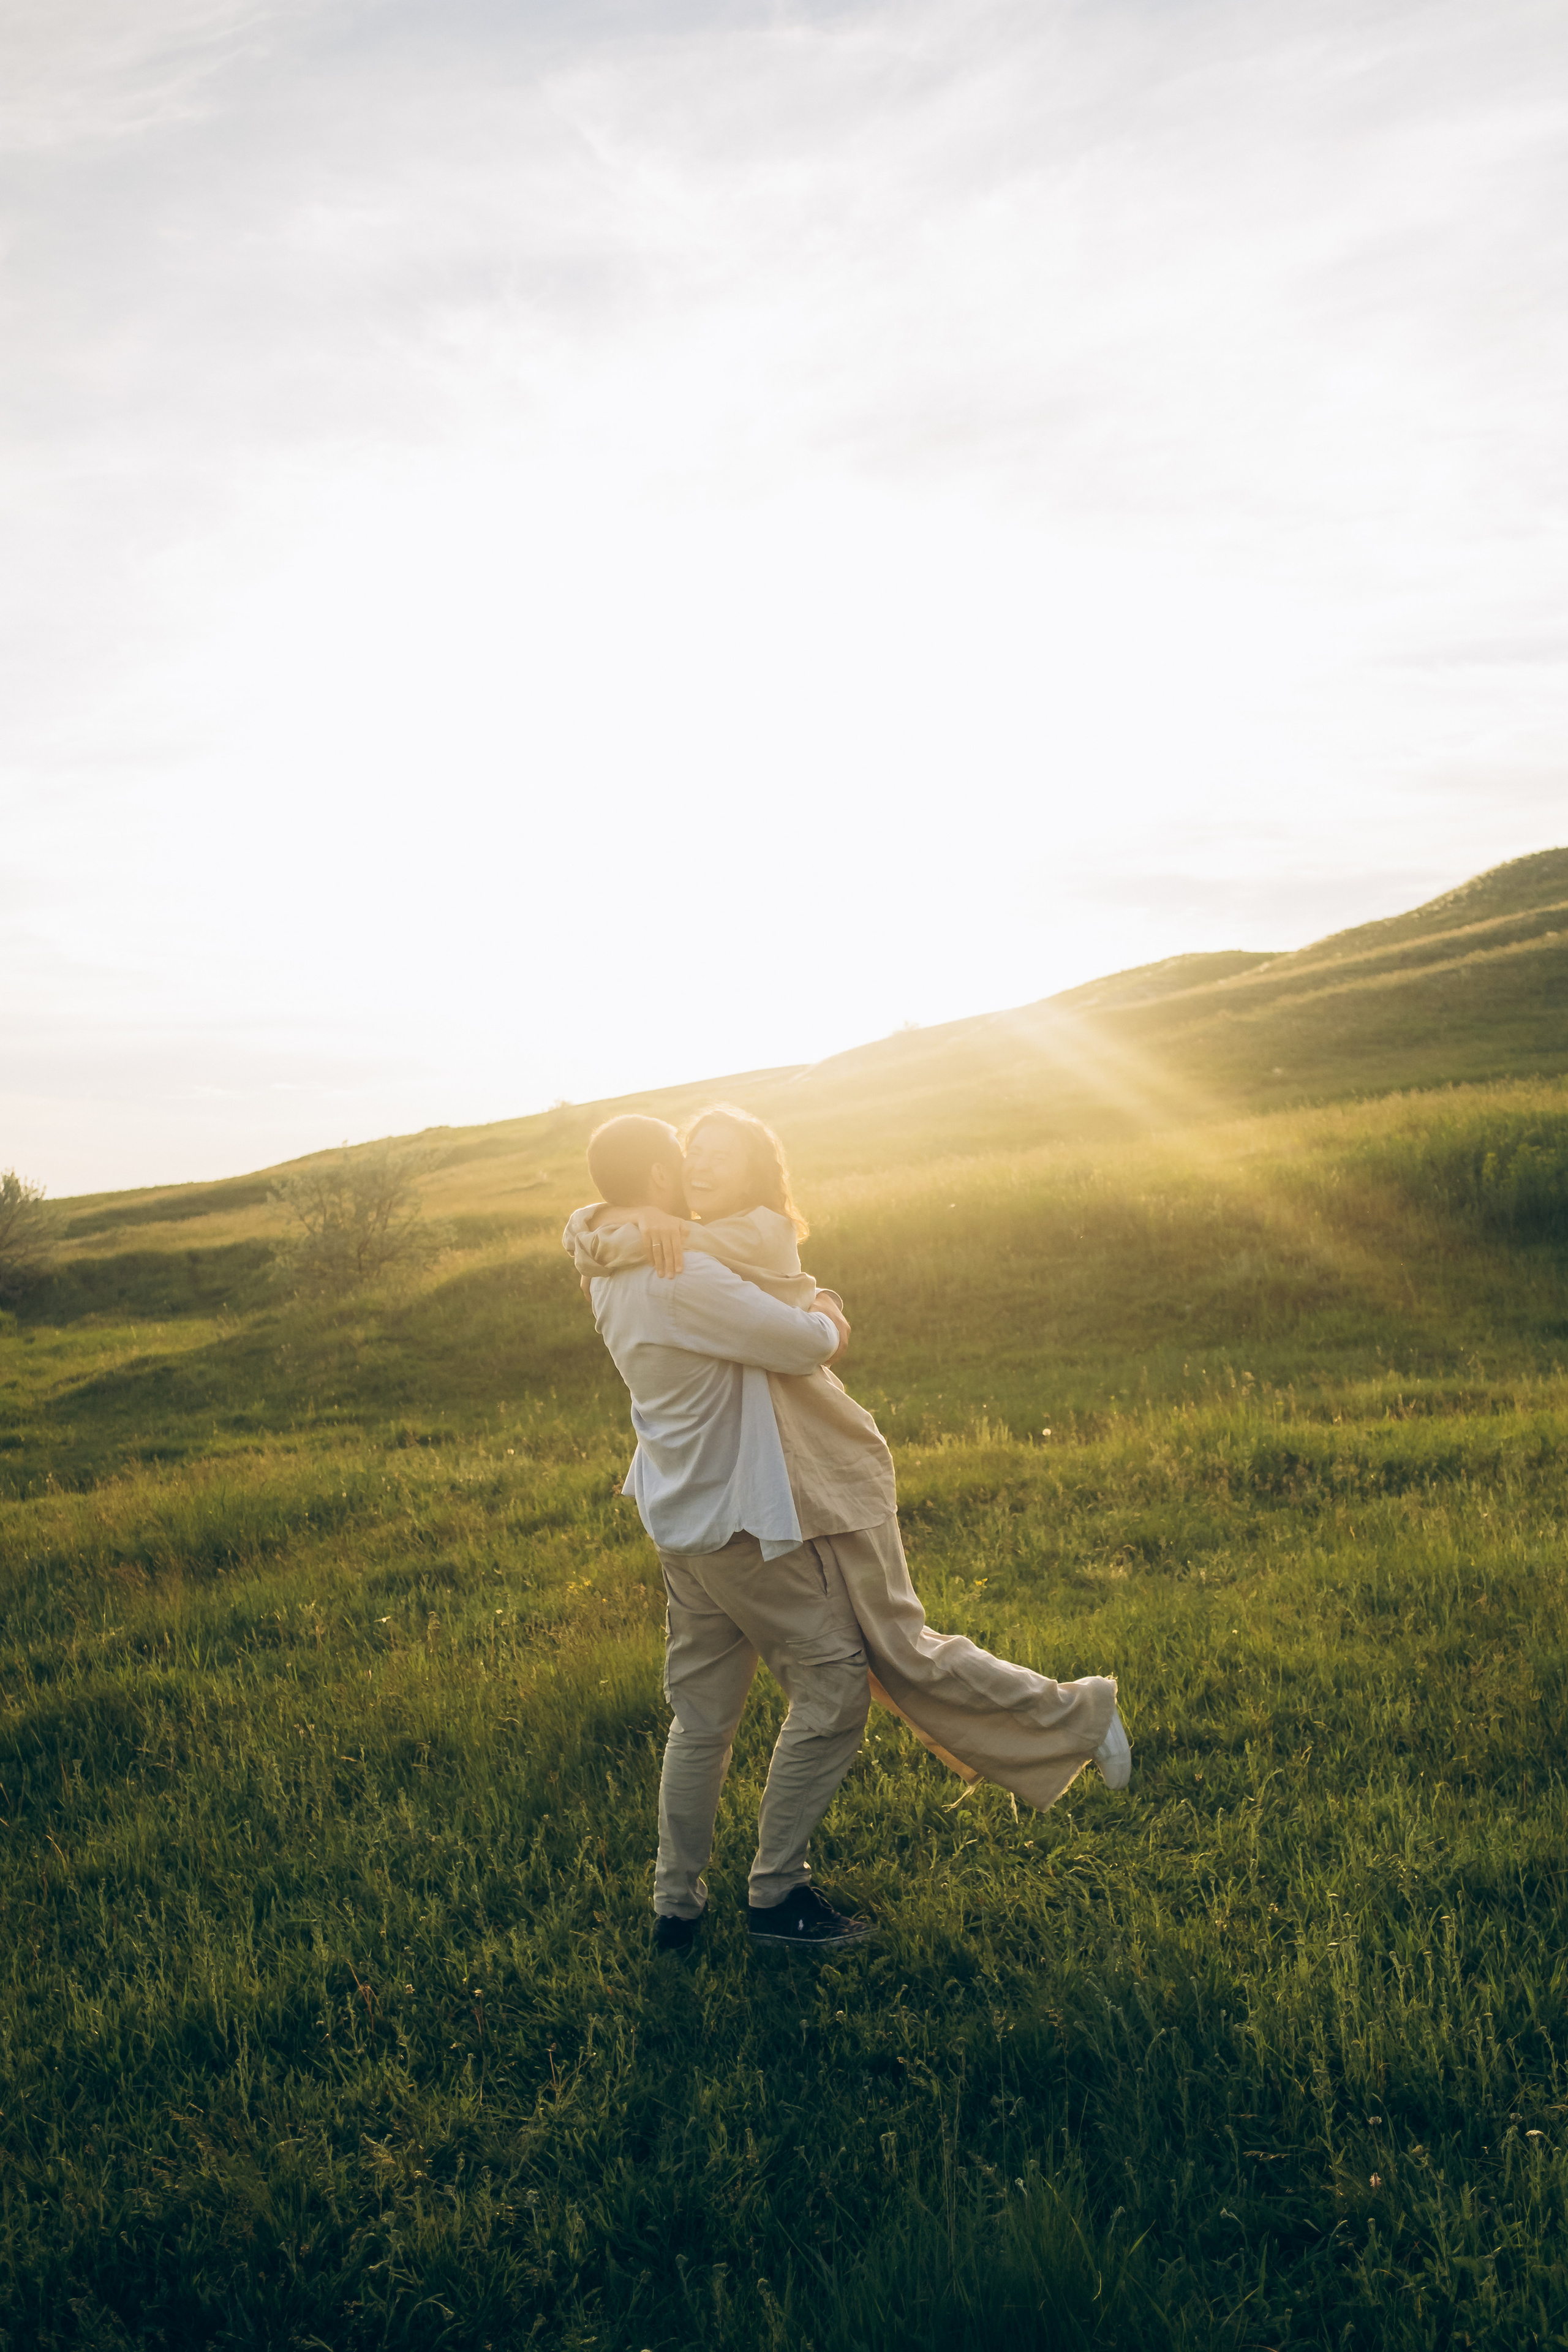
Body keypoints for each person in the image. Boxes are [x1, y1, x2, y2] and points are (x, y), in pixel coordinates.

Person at [567, 1109, 1130, 1956]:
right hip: (740, 1528)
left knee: (701, 1721)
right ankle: (776, 1899)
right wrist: (829, 1305)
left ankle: (675, 1908)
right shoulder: (683, 1273)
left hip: (678, 1524)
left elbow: (593, 1234)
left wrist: (612, 1220)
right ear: (657, 1182)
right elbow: (803, 1346)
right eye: (684, 1161)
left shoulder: (608, 1266)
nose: (693, 1172)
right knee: (832, 1695)